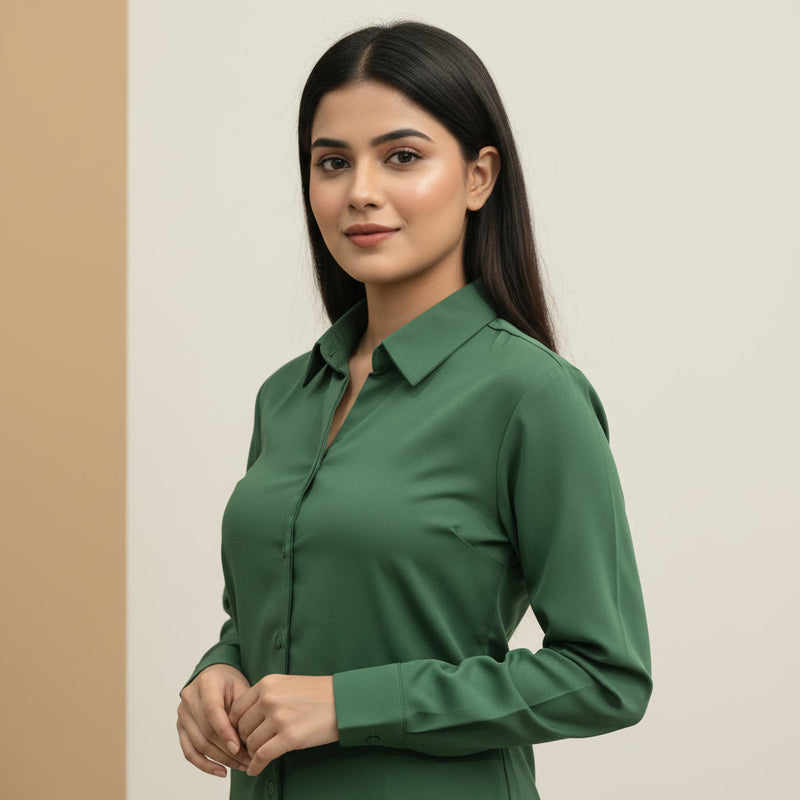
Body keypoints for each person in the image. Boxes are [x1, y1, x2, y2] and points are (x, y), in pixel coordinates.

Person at [176, 20, 652, 800]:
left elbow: (607, 676)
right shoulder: (287, 395)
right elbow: (269, 616)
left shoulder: (531, 396)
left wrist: (352, 705)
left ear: (478, 177)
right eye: (332, 162)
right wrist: (219, 669)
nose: (360, 191)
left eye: (401, 156)